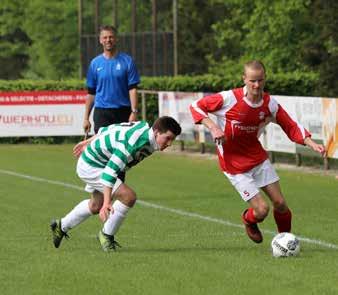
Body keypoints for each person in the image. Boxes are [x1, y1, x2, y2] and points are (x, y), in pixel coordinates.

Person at [189, 60, 326, 243]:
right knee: (262, 210)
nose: (256, 85)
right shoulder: (229, 98)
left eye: (260, 80)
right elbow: (196, 106)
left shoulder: (269, 104)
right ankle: (249, 220)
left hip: (257, 158)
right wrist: (213, 127)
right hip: (234, 165)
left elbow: (290, 125)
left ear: (265, 79)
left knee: (281, 204)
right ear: (244, 79)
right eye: (252, 80)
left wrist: (310, 142)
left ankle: (285, 241)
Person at [50, 116, 181, 252]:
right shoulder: (134, 143)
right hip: (93, 165)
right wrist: (107, 203)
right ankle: (106, 235)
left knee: (95, 206)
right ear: (156, 132)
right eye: (168, 138)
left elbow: (110, 129)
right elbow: (109, 173)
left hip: (99, 162)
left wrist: (88, 142)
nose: (170, 143)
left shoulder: (144, 128)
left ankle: (60, 226)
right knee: (128, 196)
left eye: (172, 140)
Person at [83, 25, 141, 181]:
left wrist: (134, 112)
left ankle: (118, 187)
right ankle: (101, 187)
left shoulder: (127, 61)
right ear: (100, 40)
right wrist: (86, 117)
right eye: (105, 37)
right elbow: (91, 93)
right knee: (102, 149)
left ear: (116, 39)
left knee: (121, 152)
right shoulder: (95, 64)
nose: (108, 40)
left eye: (111, 37)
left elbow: (133, 89)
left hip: (122, 112)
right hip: (102, 112)